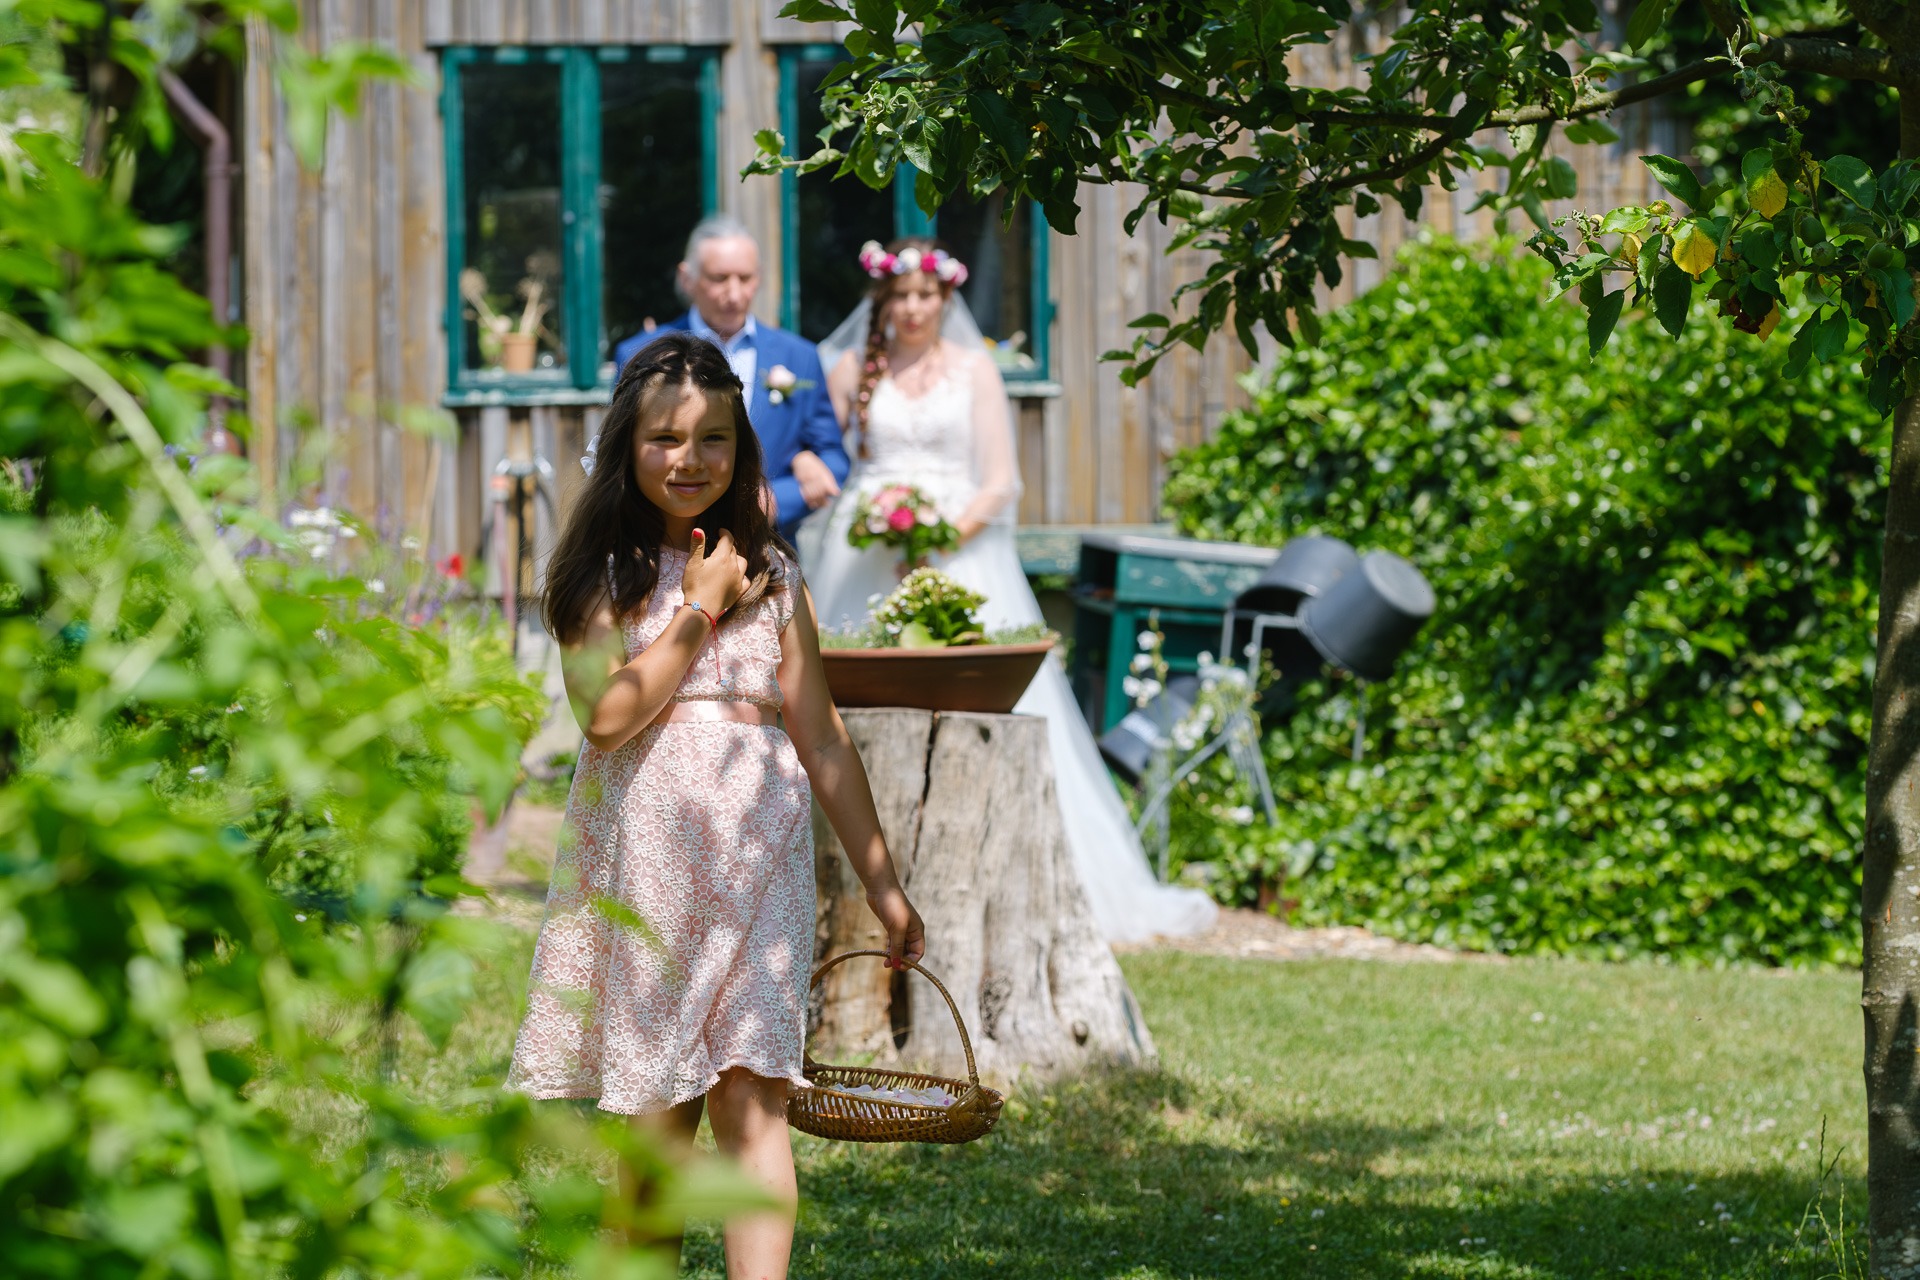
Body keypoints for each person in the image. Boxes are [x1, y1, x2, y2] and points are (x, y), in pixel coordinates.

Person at [508, 332, 925, 1277]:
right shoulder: (598, 579)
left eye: (713, 440)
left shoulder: (774, 576)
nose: (690, 460)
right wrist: (697, 609)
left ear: (742, 448)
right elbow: (607, 719)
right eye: (665, 438)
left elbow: (821, 739)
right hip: (652, 870)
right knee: (657, 1123)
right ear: (627, 445)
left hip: (757, 864)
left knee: (755, 1102)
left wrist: (884, 885)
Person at [803, 237, 1218, 945]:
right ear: (883, 300)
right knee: (848, 709)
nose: (911, 309)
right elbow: (820, 447)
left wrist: (936, 538)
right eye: (899, 296)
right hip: (864, 557)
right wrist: (862, 511)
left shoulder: (974, 371)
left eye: (924, 295)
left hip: (959, 554)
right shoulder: (849, 367)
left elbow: (1000, 481)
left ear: (945, 298)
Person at [613, 216, 848, 546]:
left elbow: (834, 458)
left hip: (769, 544)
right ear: (687, 278)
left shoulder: (800, 356)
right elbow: (620, 455)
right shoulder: (641, 352)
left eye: (745, 278)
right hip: (663, 542)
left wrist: (777, 499)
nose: (734, 293)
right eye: (719, 278)